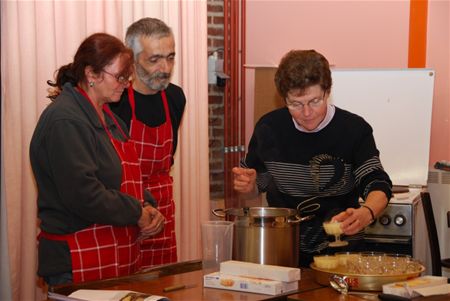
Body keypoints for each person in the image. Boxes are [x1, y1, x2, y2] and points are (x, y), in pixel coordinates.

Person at [232, 49, 392, 267]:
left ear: (327, 91)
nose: (307, 113)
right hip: (282, 252)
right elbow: (255, 187)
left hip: (343, 254)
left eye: (315, 101)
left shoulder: (354, 130)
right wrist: (248, 185)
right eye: (296, 104)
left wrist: (367, 212)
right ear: (283, 98)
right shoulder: (269, 128)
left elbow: (377, 182)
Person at [30, 33, 165, 285]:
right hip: (77, 258)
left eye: (128, 77)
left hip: (116, 255)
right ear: (91, 74)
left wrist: (148, 206)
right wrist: (136, 210)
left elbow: (125, 180)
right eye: (120, 76)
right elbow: (83, 194)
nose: (126, 83)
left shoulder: (112, 120)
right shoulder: (66, 121)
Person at [110, 18, 186, 267]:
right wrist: (138, 210)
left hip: (163, 213)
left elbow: (168, 159)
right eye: (154, 59)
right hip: (125, 213)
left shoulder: (176, 97)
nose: (165, 67)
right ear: (131, 59)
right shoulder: (115, 100)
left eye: (171, 57)